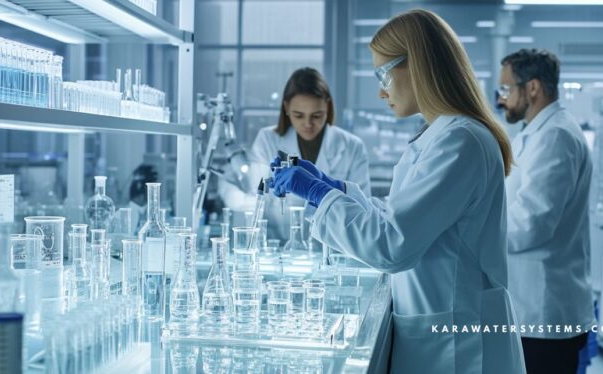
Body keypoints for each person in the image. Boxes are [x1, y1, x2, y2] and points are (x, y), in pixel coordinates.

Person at [269, 10, 525, 373]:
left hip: (457, 343)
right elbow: (401, 217)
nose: (380, 89)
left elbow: (392, 244)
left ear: (418, 64)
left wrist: (320, 195)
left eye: (384, 73)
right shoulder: (441, 134)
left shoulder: (459, 140)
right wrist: (335, 188)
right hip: (440, 324)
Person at [498, 49, 594, 374]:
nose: (502, 99)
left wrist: (474, 231)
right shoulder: (538, 133)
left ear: (533, 88)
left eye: (507, 89)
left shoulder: (556, 136)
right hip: (532, 307)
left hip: (544, 312)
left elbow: (531, 224)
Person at [220, 67, 371, 240]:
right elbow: (258, 198)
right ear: (286, 108)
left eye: (317, 115)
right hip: (281, 247)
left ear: (327, 107)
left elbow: (363, 208)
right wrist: (228, 191)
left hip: (336, 249)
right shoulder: (268, 140)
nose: (308, 124)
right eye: (299, 115)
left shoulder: (352, 147)